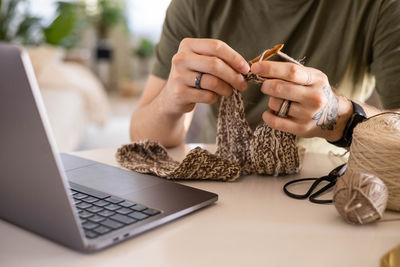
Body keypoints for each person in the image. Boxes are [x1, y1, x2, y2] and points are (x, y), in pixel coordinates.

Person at [130, 0, 400, 152]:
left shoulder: (381, 6)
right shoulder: (194, 6)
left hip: (325, 185)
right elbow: (143, 136)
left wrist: (341, 118)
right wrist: (171, 100)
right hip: (224, 186)